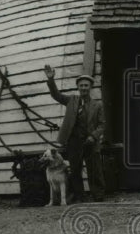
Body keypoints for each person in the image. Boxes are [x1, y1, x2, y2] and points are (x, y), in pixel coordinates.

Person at [43, 65, 105, 202]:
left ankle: (98, 195)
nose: (84, 88)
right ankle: (79, 197)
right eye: (81, 85)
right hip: (74, 141)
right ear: (78, 87)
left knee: (94, 169)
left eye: (86, 85)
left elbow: (102, 125)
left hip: (90, 142)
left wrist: (93, 136)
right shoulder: (71, 100)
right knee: (75, 170)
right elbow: (56, 95)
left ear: (90, 87)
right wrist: (51, 80)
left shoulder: (97, 105)